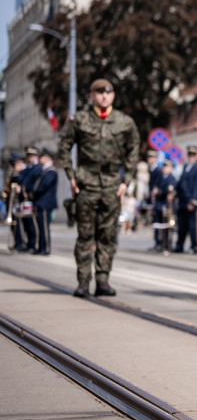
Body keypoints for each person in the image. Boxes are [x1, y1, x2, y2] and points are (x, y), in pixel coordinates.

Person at [58, 78, 140, 297]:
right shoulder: (80, 120)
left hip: (113, 184)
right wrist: (71, 176)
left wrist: (127, 181)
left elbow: (134, 149)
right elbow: (64, 146)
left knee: (108, 235)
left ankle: (103, 280)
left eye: (108, 93)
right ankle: (83, 281)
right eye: (99, 93)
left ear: (113, 95)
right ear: (92, 95)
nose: (104, 96)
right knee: (85, 235)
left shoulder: (125, 122)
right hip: (86, 182)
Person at [174, 145, 197, 253]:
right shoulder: (186, 167)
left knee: (192, 226)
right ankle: (179, 245)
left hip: (190, 201)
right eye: (190, 155)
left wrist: (194, 201)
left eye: (193, 155)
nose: (191, 157)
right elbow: (181, 184)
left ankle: (195, 245)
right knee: (182, 225)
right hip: (182, 201)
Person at [30, 149, 58, 255]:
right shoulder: (44, 170)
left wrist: (34, 192)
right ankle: (40, 247)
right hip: (40, 203)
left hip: (46, 203)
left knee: (44, 228)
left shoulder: (51, 171)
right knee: (40, 227)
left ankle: (45, 248)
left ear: (46, 158)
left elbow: (43, 186)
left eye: (41, 157)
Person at [152, 160, 177, 253]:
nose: (164, 169)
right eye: (164, 167)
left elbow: (169, 191)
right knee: (158, 226)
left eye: (167, 167)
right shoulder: (160, 178)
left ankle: (167, 245)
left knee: (167, 227)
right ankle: (158, 243)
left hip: (166, 205)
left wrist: (159, 192)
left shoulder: (171, 179)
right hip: (159, 204)